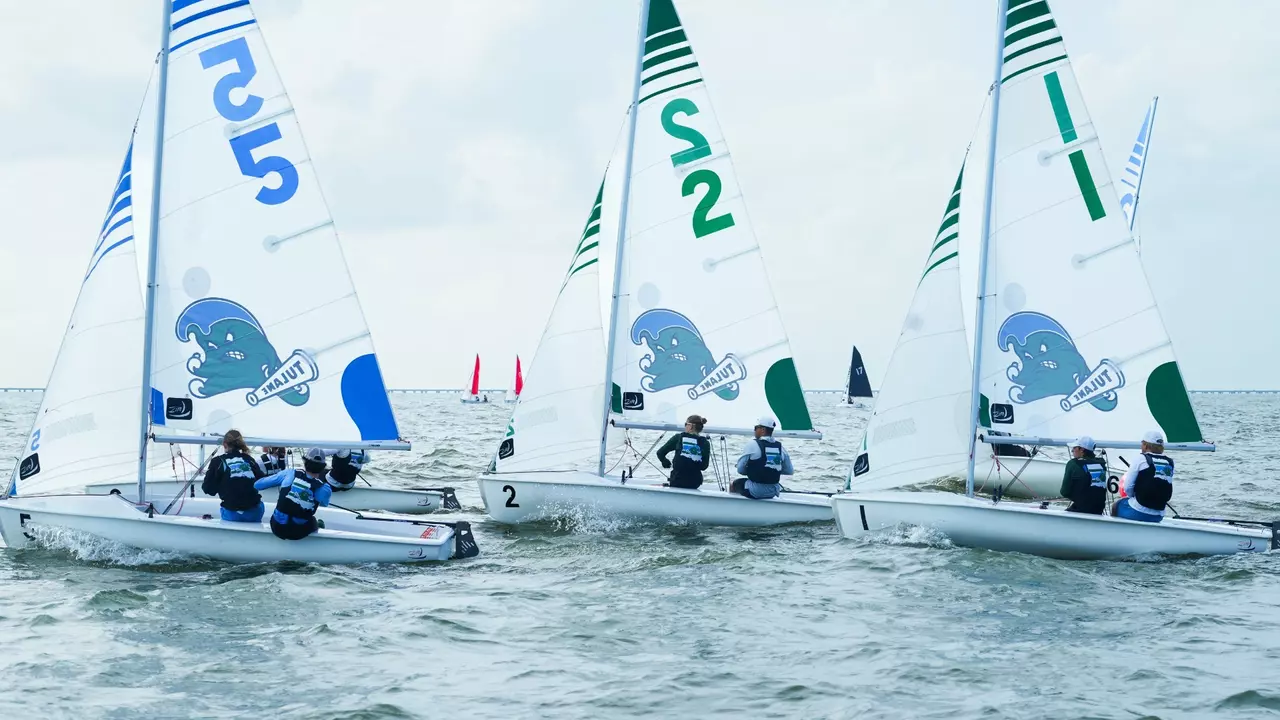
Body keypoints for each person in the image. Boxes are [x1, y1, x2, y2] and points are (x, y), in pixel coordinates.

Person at [255, 447, 333, 540]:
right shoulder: (325, 488)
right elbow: (324, 504)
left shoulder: (290, 473)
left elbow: (258, 485)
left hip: (276, 527)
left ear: (304, 462)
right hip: (298, 533)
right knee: (314, 521)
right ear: (323, 467)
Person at [201, 429, 266, 522]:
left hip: (232, 512)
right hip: (255, 511)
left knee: (229, 508)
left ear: (224, 444)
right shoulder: (249, 459)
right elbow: (261, 481)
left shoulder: (218, 461)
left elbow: (208, 490)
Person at [1112, 430, 1174, 523]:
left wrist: (1132, 497)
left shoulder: (1141, 459)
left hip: (1139, 512)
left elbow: (1128, 487)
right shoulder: (1170, 462)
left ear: (1145, 445)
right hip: (1159, 515)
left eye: (1142, 443)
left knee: (1116, 505)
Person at [730, 416, 794, 499]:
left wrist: (753, 470)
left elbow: (740, 470)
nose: (754, 430)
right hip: (774, 491)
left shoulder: (752, 444)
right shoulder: (781, 448)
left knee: (734, 484)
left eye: (756, 428)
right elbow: (789, 471)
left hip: (756, 491)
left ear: (763, 430)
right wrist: (771, 470)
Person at [657, 415, 712, 490]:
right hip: (695, 483)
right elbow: (704, 466)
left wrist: (665, 461)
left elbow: (660, 453)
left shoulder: (678, 438)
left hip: (677, 481)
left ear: (690, 426)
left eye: (685, 424)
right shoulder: (705, 443)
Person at [1059, 436, 1106, 514]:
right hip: (1098, 510)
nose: (1072, 450)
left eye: (1075, 448)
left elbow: (1064, 492)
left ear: (1082, 450)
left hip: (1081, 509)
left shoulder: (1073, 464)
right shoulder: (1101, 464)